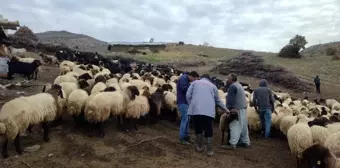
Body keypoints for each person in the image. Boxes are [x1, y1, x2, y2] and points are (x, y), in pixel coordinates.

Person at [186, 74, 229, 156]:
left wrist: (191, 105)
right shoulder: (213, 86)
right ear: (209, 79)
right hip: (209, 111)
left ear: (201, 78)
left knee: (198, 127)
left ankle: (199, 147)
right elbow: (218, 100)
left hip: (196, 110)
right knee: (208, 128)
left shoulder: (195, 83)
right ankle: (209, 150)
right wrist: (226, 110)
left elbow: (188, 95)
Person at [221, 73, 250, 150]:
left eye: (228, 78)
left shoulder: (232, 87)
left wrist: (229, 110)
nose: (226, 80)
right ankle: (245, 142)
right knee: (243, 126)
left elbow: (230, 100)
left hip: (236, 109)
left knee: (234, 126)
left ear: (231, 79)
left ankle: (232, 144)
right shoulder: (239, 85)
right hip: (243, 108)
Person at [177, 71, 199, 145]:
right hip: (182, 102)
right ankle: (181, 138)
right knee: (185, 119)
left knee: (187, 119)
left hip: (186, 102)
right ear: (192, 76)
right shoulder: (183, 78)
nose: (194, 81)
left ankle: (186, 136)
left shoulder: (186, 79)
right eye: (194, 79)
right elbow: (184, 89)